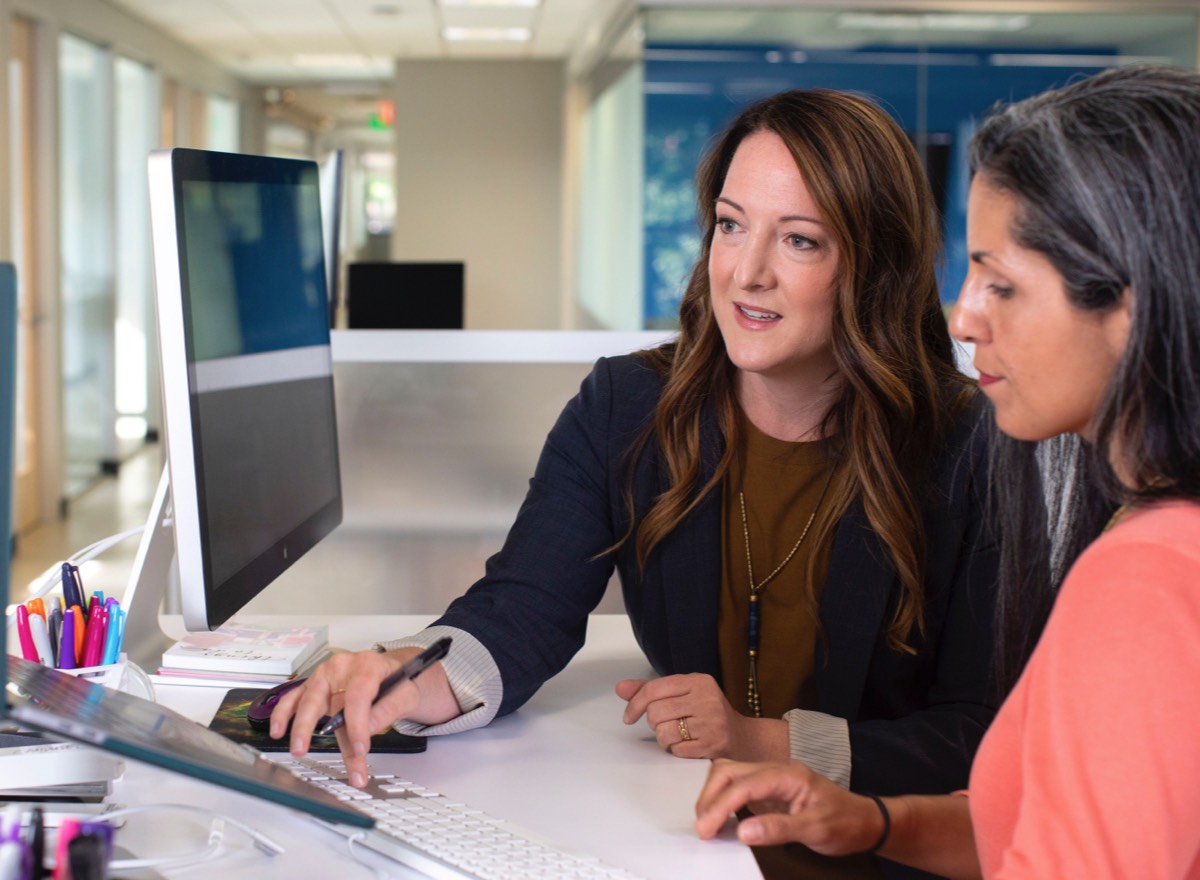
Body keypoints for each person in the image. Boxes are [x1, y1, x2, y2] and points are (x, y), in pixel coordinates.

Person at [274, 88, 1000, 877]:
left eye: (799, 241)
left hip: (883, 856)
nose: (746, 273)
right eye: (730, 225)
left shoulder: (967, 448)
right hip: (695, 843)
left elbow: (978, 732)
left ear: (874, 268)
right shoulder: (628, 408)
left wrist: (766, 739)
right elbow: (524, 605)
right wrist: (409, 675)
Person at [694, 63, 1200, 879]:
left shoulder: (1149, 577)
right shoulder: (1149, 530)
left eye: (1002, 283)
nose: (965, 316)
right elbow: (1049, 827)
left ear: (1129, 311)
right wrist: (869, 822)